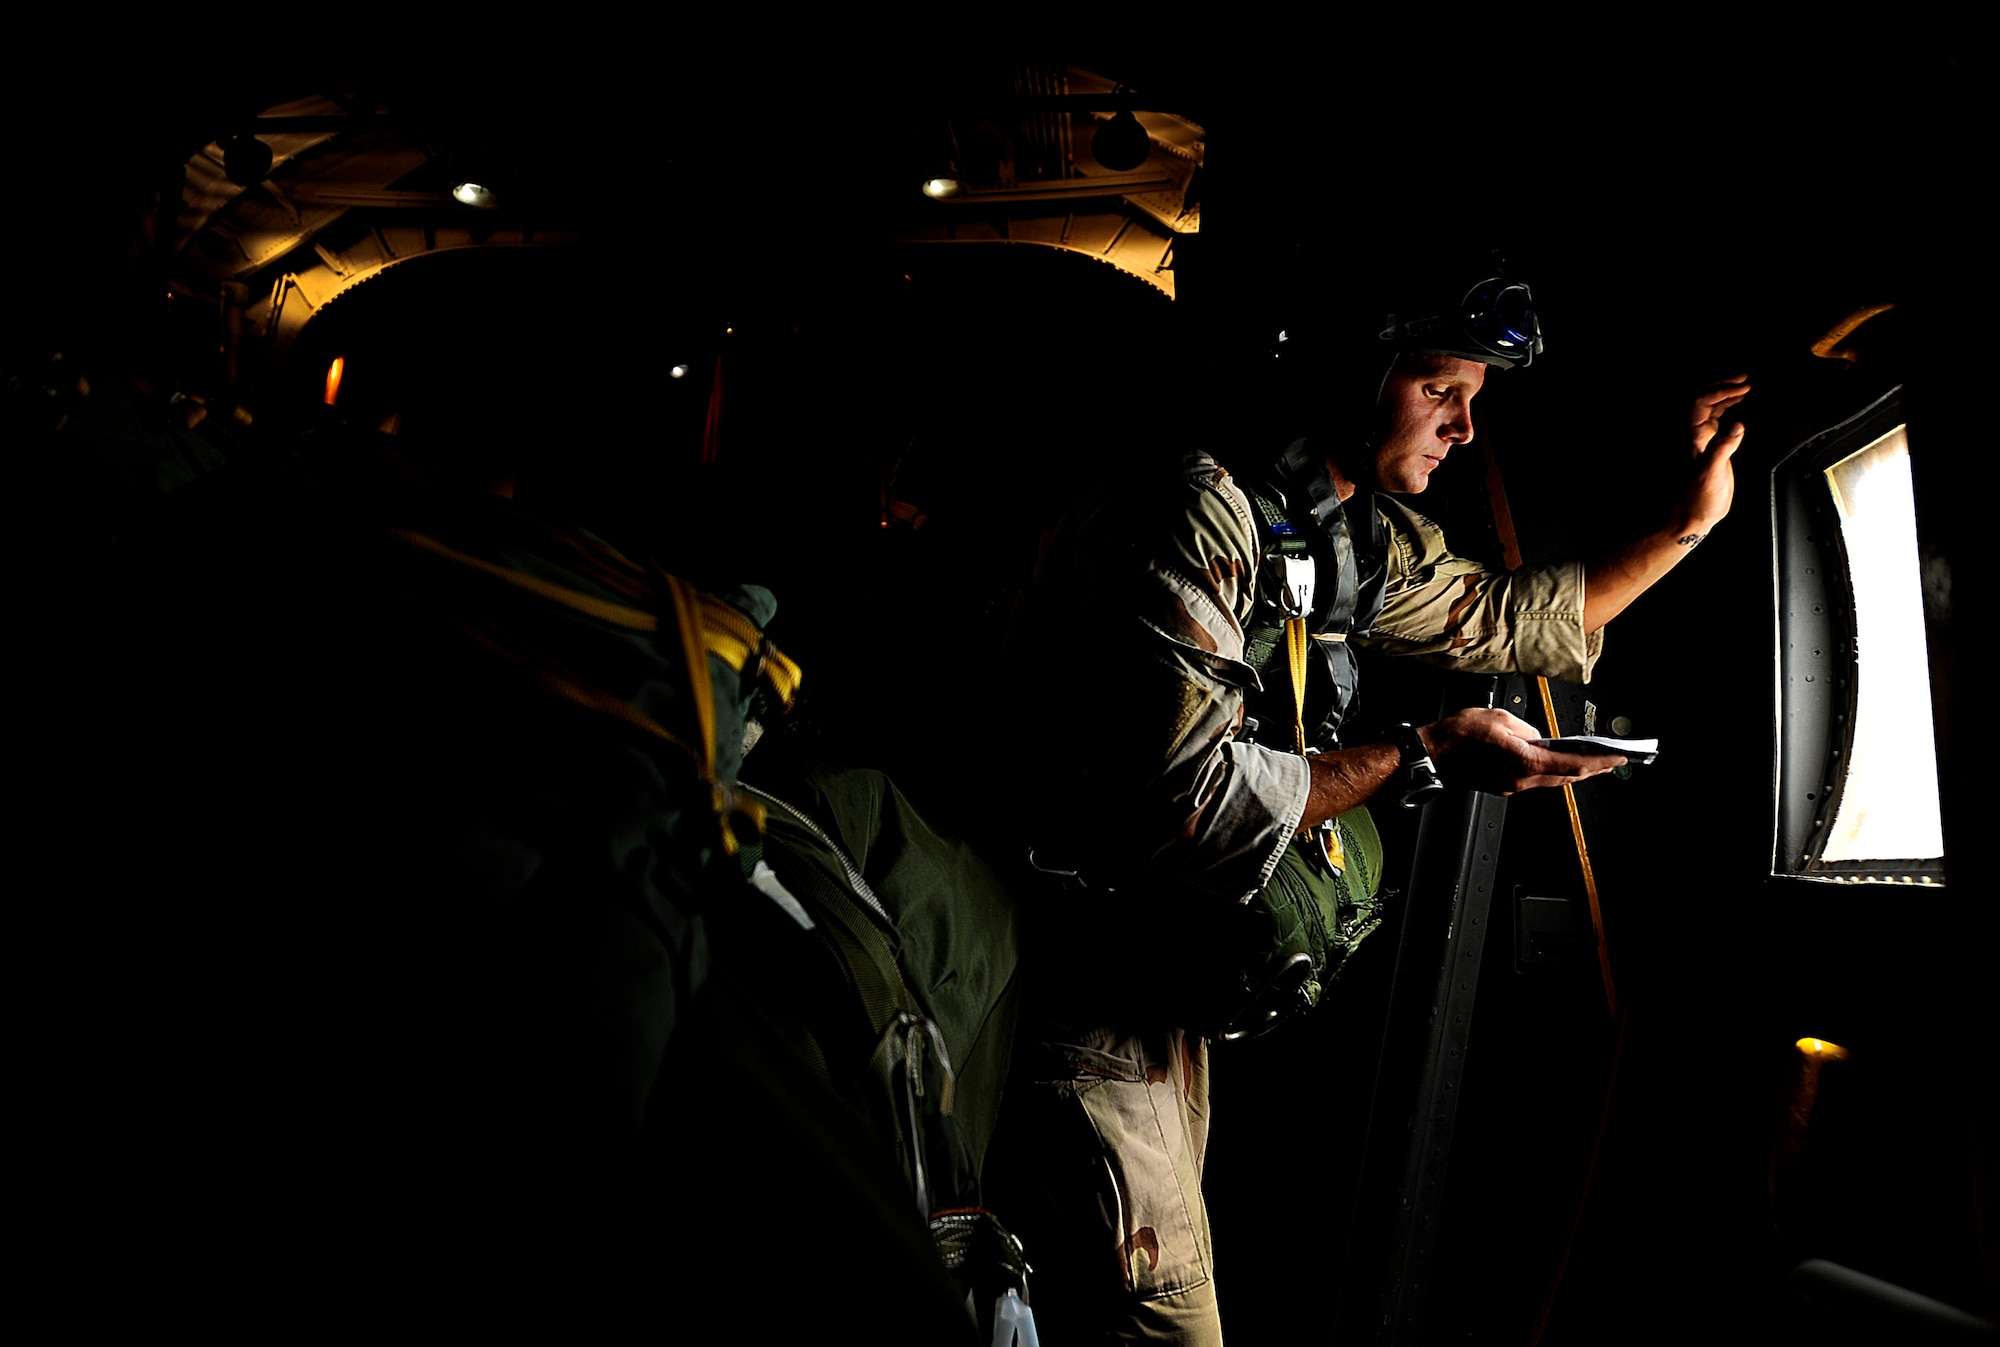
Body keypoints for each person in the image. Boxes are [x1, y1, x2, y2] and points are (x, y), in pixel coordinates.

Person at [988, 273, 1750, 1344]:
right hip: (1073, 980)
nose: (1464, 426)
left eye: (1472, 394)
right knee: (1159, 1320)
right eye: (1438, 385)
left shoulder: (1335, 530)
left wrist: (1685, 521)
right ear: (1348, 375)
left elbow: (1500, 618)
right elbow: (1189, 800)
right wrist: (1424, 752)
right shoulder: (1192, 507)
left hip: (1155, 987)